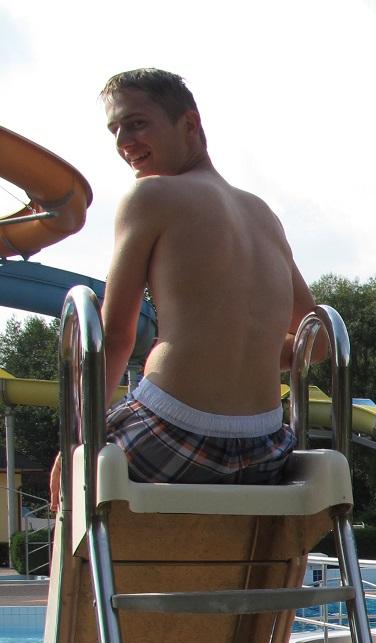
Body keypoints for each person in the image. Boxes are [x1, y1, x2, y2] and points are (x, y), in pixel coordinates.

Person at [51, 68, 314, 505]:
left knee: (74, 489)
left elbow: (115, 338)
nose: (123, 142)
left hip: (171, 431)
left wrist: (74, 441)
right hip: (265, 448)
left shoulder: (149, 197)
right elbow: (314, 340)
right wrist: (238, 348)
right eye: (115, 130)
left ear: (189, 124)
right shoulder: (263, 214)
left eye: (136, 123)